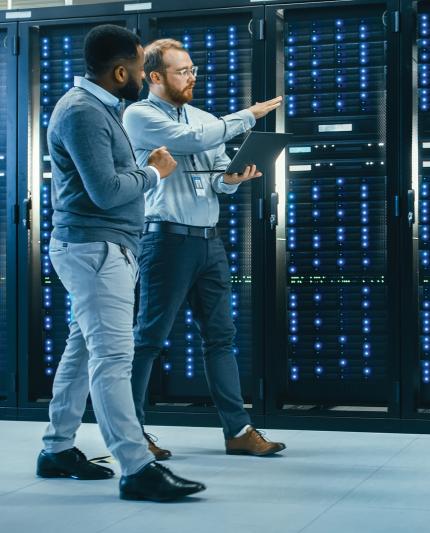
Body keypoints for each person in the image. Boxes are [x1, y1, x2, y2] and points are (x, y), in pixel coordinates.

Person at [36, 24, 205, 502]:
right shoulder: (83, 112)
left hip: (102, 248)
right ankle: (138, 467)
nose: (143, 75)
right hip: (95, 249)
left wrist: (140, 169)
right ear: (118, 71)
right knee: (114, 358)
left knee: (83, 351)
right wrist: (153, 172)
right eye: (137, 67)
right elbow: (107, 192)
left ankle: (56, 448)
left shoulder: (98, 108)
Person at [122, 38, 285, 459]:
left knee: (221, 337)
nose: (191, 77)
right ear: (155, 77)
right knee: (150, 338)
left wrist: (229, 180)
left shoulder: (203, 117)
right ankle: (132, 433)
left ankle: (239, 431)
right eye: (182, 71)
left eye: (193, 70)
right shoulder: (139, 115)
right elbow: (193, 141)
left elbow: (212, 171)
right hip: (165, 240)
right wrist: (247, 116)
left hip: (208, 242)